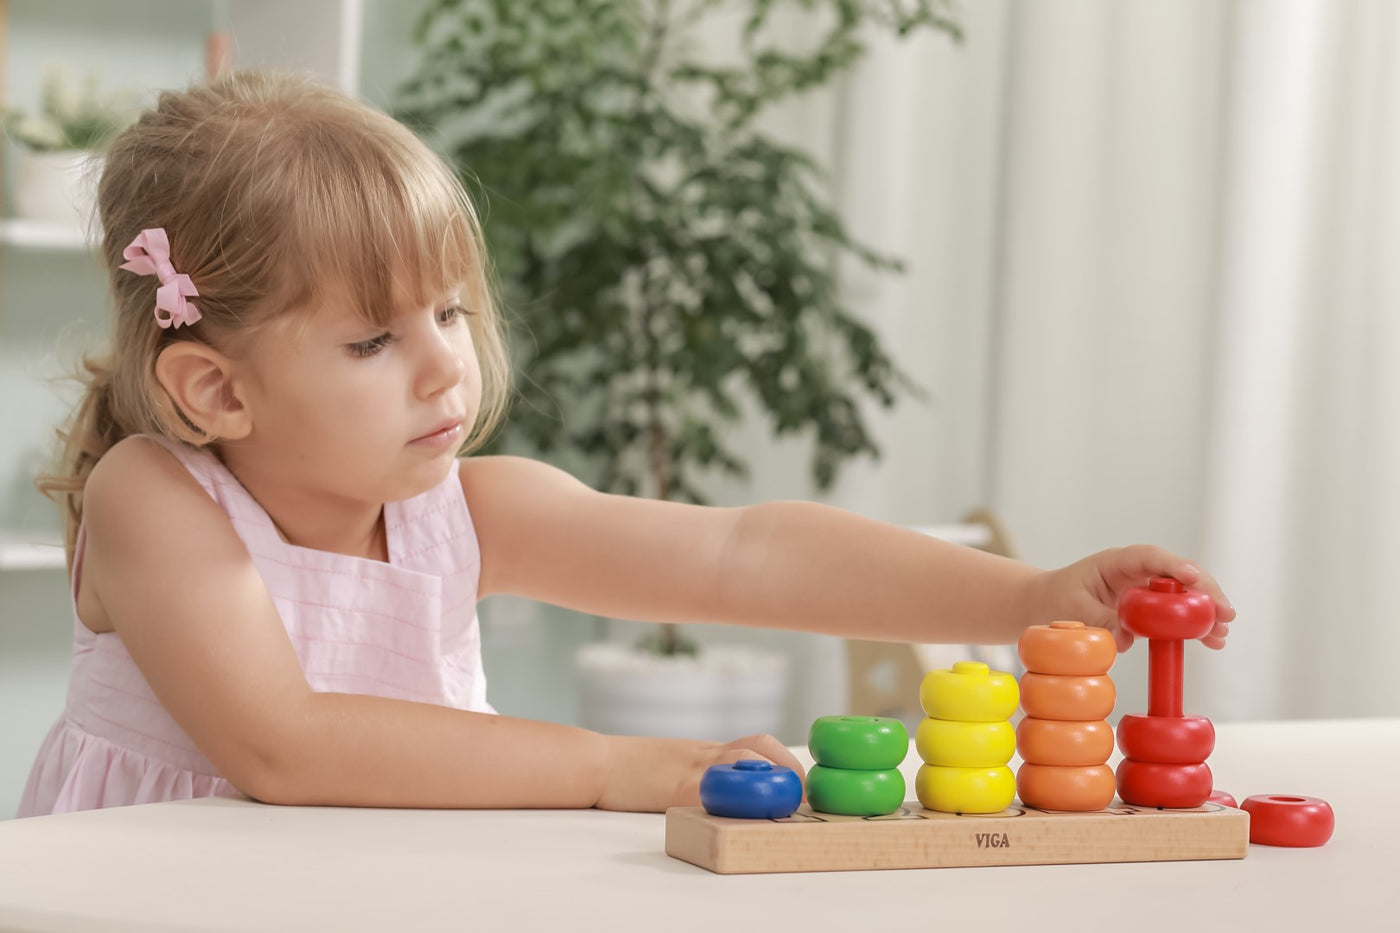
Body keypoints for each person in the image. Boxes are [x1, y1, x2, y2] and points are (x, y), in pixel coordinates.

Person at [18, 71, 1233, 818]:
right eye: (372, 341)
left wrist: (1024, 596)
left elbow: (741, 557)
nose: (448, 360)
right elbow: (280, 748)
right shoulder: (155, 499)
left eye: (447, 312)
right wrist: (613, 767)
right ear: (216, 390)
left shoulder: (467, 509)